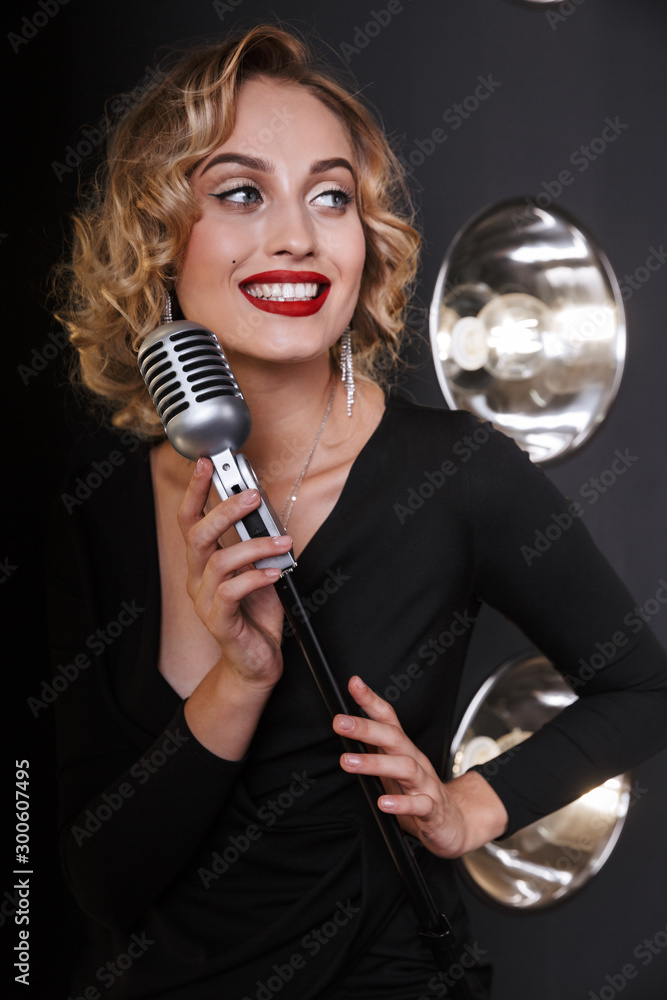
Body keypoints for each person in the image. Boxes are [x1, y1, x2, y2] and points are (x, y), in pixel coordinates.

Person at [49, 24, 667, 1000]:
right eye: (241, 192)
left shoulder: (456, 474)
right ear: (158, 240)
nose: (296, 234)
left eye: (330, 196)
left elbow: (643, 687)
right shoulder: (92, 518)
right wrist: (239, 681)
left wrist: (469, 806)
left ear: (362, 241)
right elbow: (101, 886)